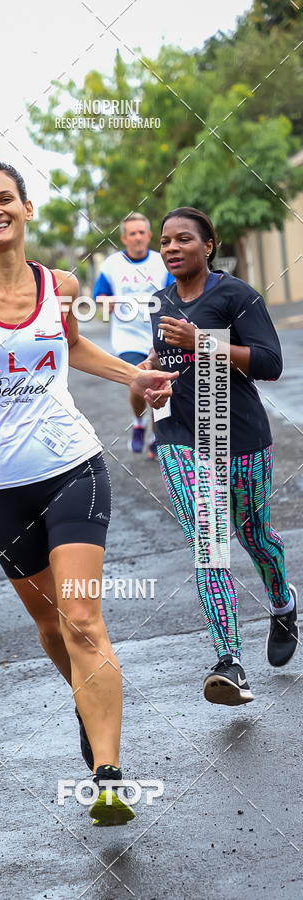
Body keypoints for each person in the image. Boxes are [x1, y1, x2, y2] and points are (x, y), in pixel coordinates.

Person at [0, 146, 178, 826]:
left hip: (73, 467)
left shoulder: (57, 284)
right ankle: (89, 706)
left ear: (25, 209)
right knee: (52, 627)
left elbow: (76, 347)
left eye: (5, 199)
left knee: (83, 617)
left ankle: (108, 774)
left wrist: (133, 378)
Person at [144, 206, 297, 706]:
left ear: (208, 246)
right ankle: (229, 662)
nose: (171, 247)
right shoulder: (159, 301)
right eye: (165, 240)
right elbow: (166, 364)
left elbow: (270, 363)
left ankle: (283, 602)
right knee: (210, 545)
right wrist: (155, 386)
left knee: (255, 536)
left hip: (240, 435)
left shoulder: (237, 295)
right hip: (181, 437)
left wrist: (204, 341)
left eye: (183, 239)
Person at [93, 213, 174, 458]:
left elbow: (173, 292)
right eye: (132, 233)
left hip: (156, 334)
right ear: (124, 238)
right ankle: (139, 423)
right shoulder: (112, 265)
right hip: (126, 336)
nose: (138, 237)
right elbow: (100, 295)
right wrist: (108, 302)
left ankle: (155, 436)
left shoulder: (162, 262)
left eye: (142, 233)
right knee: (138, 380)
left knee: (157, 382)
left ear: (149, 236)